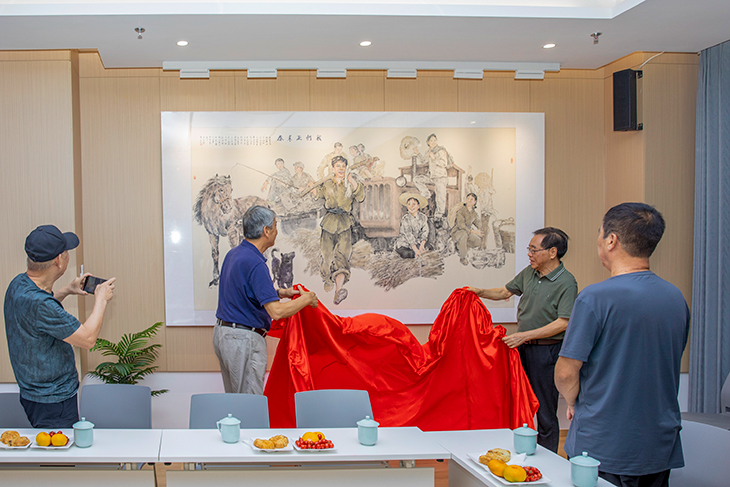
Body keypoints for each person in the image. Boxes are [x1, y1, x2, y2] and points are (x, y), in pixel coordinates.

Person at [555, 203, 689, 487]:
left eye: (600, 233)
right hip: (658, 446)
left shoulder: (595, 298)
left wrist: (574, 401)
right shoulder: (676, 297)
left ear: (611, 240)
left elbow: (566, 373)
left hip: (604, 446)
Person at [467, 227, 577, 452]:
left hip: (547, 352)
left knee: (545, 409)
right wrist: (479, 292)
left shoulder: (567, 282)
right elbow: (504, 292)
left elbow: (563, 322)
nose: (529, 254)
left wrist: (524, 335)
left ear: (553, 252)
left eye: (534, 250)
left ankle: (548, 458)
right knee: (517, 402)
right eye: (529, 249)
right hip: (523, 349)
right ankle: (519, 451)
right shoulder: (530, 273)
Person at [4, 224, 116, 428]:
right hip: (53, 401)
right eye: (66, 252)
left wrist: (67, 290)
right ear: (58, 260)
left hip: (35, 395)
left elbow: (37, 315)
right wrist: (101, 300)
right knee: (59, 448)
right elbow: (87, 339)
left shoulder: (18, 284)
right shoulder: (40, 304)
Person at [214, 206, 318, 395]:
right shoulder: (255, 263)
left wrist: (281, 292)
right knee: (249, 403)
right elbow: (276, 312)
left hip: (225, 335)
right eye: (275, 226)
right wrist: (307, 299)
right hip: (242, 340)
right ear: (266, 230)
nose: (277, 231)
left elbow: (245, 292)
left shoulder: (235, 254)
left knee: (235, 401)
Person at [314, 155, 365, 305]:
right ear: (333, 168)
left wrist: (351, 181)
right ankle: (327, 278)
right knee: (327, 256)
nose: (341, 168)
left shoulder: (350, 184)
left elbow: (360, 197)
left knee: (342, 257)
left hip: (344, 224)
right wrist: (309, 188)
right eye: (338, 166)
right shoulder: (327, 183)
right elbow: (317, 194)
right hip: (328, 223)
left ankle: (339, 291)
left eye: (343, 166)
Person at [413, 133, 452, 226]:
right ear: (428, 142)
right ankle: (426, 194)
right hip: (431, 177)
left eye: (435, 140)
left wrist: (434, 158)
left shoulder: (441, 151)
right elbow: (423, 161)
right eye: (431, 140)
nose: (433, 142)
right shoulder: (429, 151)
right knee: (417, 179)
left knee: (440, 197)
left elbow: (444, 163)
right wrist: (418, 153)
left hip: (440, 177)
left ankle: (438, 217)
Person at [451, 192, 483, 265]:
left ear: (475, 202)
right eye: (468, 198)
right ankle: (463, 257)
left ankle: (460, 246)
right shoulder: (461, 212)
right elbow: (461, 225)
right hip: (457, 232)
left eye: (471, 199)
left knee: (477, 241)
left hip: (467, 232)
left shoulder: (474, 213)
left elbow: (478, 223)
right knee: (464, 234)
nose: (469, 200)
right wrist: (474, 232)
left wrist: (480, 230)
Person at [394, 193, 429, 259]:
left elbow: (425, 231)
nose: (411, 206)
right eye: (409, 204)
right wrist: (416, 250)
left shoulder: (423, 217)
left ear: (418, 206)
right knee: (409, 254)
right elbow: (408, 235)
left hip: (417, 243)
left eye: (414, 204)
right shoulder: (405, 219)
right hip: (405, 244)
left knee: (426, 252)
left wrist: (422, 246)